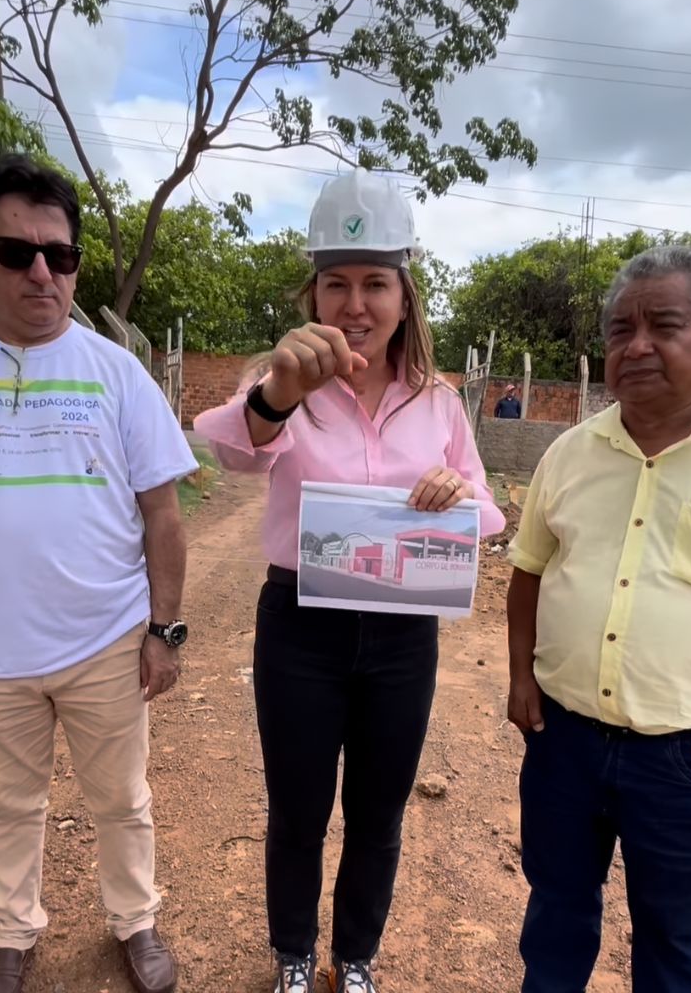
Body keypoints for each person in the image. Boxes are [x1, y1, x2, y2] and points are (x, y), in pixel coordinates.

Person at [194, 168, 505, 993]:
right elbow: (228, 452)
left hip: (404, 634)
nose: (355, 302)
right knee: (298, 811)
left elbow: (489, 511)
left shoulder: (437, 401)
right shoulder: (284, 380)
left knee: (378, 814)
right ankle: (295, 955)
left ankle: (356, 959)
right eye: (337, 283)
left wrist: (460, 494)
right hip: (302, 626)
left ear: (406, 296)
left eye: (375, 283)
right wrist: (278, 395)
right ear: (313, 293)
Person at [0, 155, 197, 993]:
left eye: (62, 254)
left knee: (122, 800)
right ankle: (12, 936)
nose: (43, 272)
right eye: (17, 253)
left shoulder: (117, 374)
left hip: (104, 644)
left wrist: (163, 631)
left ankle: (136, 923)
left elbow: (163, 516)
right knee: (10, 806)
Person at [506, 245, 691, 993]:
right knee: (555, 916)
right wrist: (520, 673)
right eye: (621, 330)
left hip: (688, 756)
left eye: (663, 325)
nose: (637, 345)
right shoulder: (570, 452)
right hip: (564, 743)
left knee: (676, 942)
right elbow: (526, 570)